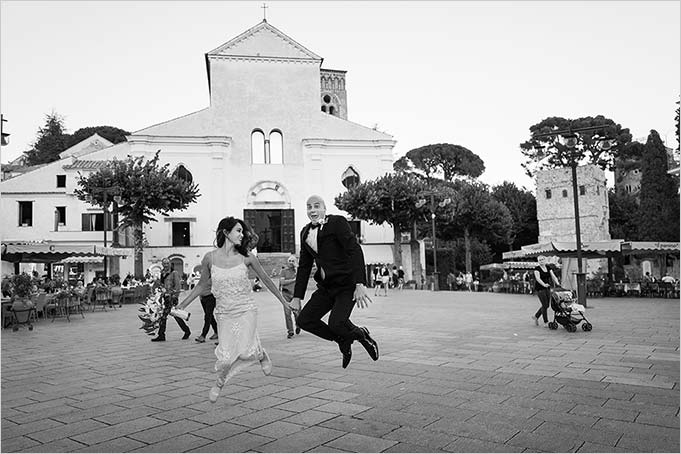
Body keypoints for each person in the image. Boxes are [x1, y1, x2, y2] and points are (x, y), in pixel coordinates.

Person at [176, 216, 291, 403]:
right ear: (225, 233)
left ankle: (259, 354)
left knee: (245, 352)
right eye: (238, 230)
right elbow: (200, 286)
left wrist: (284, 302)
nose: (242, 234)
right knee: (226, 358)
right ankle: (221, 381)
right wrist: (183, 304)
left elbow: (267, 280)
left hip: (246, 308)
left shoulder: (247, 257)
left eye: (242, 231)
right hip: (224, 313)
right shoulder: (209, 258)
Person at [290, 195, 379, 369]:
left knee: (336, 322)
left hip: (347, 285)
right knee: (304, 320)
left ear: (324, 208)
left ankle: (362, 335)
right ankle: (342, 339)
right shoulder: (305, 232)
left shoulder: (337, 223)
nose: (312, 210)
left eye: (316, 206)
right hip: (326, 287)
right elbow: (304, 267)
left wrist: (360, 284)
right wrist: (297, 297)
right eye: (309, 207)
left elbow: (354, 250)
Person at [151, 258, 191, 342]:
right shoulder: (162, 273)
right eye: (164, 263)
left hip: (171, 298)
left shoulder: (174, 273)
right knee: (175, 315)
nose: (165, 265)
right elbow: (162, 284)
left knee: (164, 316)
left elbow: (178, 286)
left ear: (170, 264)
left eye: (167, 263)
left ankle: (161, 335)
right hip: (165, 297)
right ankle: (186, 331)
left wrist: (175, 296)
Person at [531, 255, 561, 327]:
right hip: (540, 288)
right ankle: (545, 322)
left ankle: (536, 316)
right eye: (540, 260)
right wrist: (543, 284)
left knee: (547, 305)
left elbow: (553, 276)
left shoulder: (548, 267)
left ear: (545, 260)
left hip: (547, 287)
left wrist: (557, 283)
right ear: (538, 261)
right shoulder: (537, 269)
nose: (541, 261)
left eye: (542, 259)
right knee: (545, 305)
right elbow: (538, 278)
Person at [279, 254, 301, 339]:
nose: (291, 263)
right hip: (286, 294)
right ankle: (290, 331)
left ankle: (298, 325)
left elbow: (301, 279)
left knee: (297, 313)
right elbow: (282, 282)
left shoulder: (297, 271)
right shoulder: (284, 271)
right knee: (287, 313)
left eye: (293, 261)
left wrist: (296, 268)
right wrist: (293, 280)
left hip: (295, 295)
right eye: (290, 261)